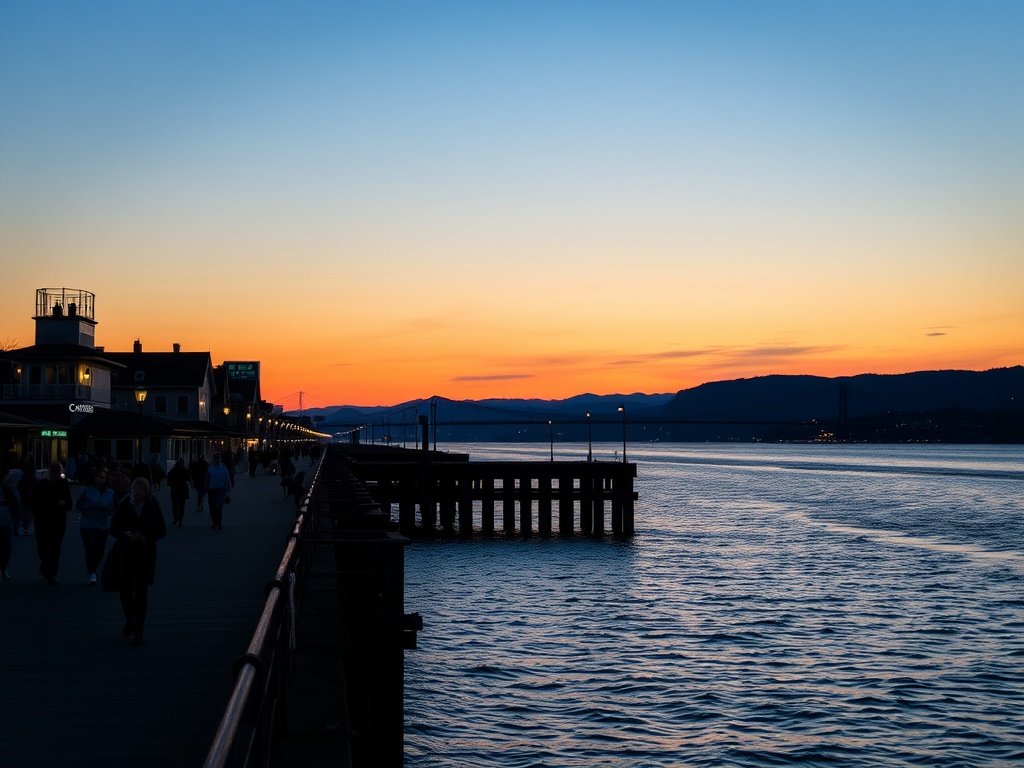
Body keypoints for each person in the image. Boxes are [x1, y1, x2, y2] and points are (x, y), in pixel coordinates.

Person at [110, 477, 166, 645]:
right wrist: (125, 534)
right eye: (133, 491)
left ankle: (138, 628)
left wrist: (147, 538)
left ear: (146, 493)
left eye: (139, 492)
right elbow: (113, 529)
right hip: (125, 552)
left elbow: (161, 530)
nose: (135, 495)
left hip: (144, 554)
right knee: (125, 590)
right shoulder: (124, 505)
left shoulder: (153, 506)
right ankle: (129, 618)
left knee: (141, 592)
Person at [31, 462, 73, 585]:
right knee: (43, 547)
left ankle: (51, 573)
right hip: (43, 521)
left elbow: (69, 503)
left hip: (57, 521)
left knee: (55, 548)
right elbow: (33, 502)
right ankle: (46, 568)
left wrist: (64, 504)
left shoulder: (63, 484)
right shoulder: (40, 485)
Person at [75, 466, 115, 585]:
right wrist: (86, 508)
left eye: (103, 477)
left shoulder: (110, 493)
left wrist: (109, 512)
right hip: (88, 523)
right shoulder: (87, 491)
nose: (101, 479)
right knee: (91, 548)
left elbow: (113, 507)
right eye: (98, 477)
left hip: (103, 523)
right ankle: (92, 573)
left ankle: (93, 567)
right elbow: (79, 505)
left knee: (100, 550)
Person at [0, 471, 22, 580]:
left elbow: (15, 503)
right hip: (6, 520)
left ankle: (2, 569)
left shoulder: (8, 489)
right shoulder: (8, 489)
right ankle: (2, 570)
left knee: (7, 549)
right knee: (6, 548)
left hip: (6, 520)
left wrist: (18, 515)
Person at [204, 452, 232, 530]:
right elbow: (207, 479)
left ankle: (218, 522)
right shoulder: (211, 468)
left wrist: (228, 487)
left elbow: (227, 479)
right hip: (212, 490)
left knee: (219, 507)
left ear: (220, 459)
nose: (216, 460)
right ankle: (213, 522)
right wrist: (206, 488)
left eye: (217, 458)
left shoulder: (223, 469)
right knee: (212, 507)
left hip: (221, 490)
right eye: (215, 458)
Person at [166, 457, 190, 527]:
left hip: (175, 489)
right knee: (182, 505)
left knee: (175, 505)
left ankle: (175, 518)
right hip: (182, 489)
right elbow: (188, 478)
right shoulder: (184, 470)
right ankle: (180, 520)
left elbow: (168, 481)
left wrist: (171, 483)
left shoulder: (172, 471)